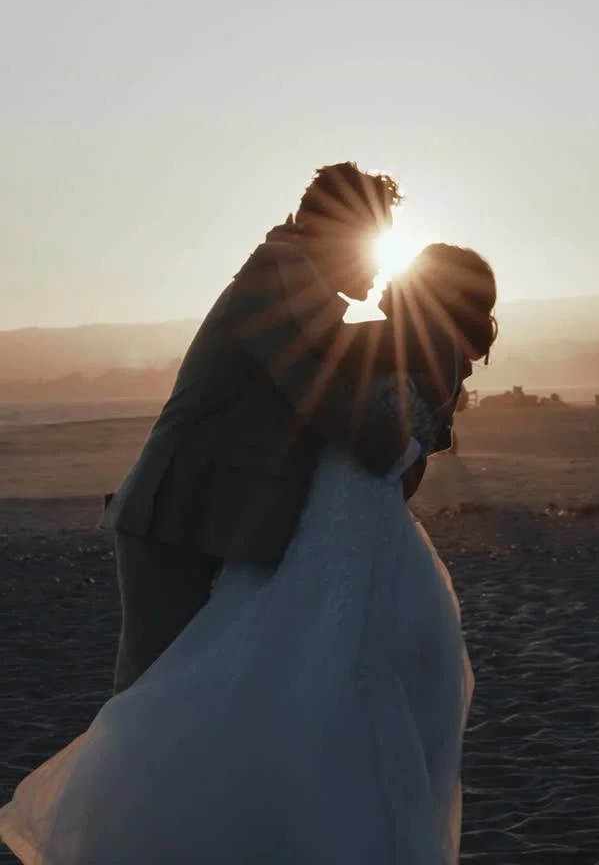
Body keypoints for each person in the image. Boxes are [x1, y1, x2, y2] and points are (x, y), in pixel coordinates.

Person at [0, 243, 497, 865]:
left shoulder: (401, 345)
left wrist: (372, 458)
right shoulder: (415, 348)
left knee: (272, 682)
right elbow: (405, 461)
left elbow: (361, 425)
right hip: (335, 527)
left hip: (338, 528)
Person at [102, 161, 435, 694]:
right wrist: (406, 441)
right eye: (371, 246)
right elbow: (326, 398)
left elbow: (351, 349)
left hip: (216, 520)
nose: (378, 268)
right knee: (154, 696)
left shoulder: (298, 287)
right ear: (334, 235)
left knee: (198, 695)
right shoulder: (275, 280)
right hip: (178, 517)